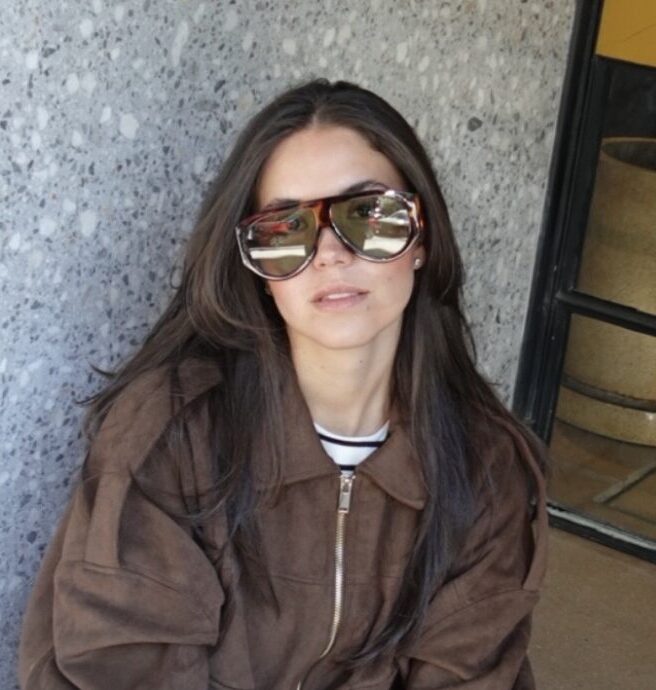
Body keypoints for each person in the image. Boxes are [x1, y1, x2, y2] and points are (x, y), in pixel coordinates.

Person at [18, 79, 549, 690]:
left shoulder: (487, 466)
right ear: (256, 270)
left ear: (421, 237)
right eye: (284, 228)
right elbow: (122, 668)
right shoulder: (173, 434)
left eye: (368, 214)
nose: (329, 254)